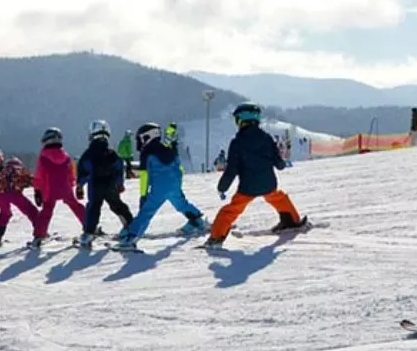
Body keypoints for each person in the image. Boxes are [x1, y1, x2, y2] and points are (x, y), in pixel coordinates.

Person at [204, 102, 305, 249]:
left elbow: (231, 169)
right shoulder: (267, 138)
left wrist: (222, 187)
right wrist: (282, 164)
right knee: (279, 198)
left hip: (247, 188)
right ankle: (292, 220)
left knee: (231, 210)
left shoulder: (237, 143)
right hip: (268, 183)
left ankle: (216, 237)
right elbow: (278, 162)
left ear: (241, 120)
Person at [116, 122, 206, 249]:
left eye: (141, 138)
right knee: (181, 203)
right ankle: (197, 220)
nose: (140, 142)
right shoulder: (169, 149)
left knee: (146, 212)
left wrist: (143, 195)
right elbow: (179, 169)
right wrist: (177, 186)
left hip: (159, 189)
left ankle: (131, 238)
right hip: (174, 185)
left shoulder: (147, 153)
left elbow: (144, 176)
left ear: (148, 136)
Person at [76, 120, 134, 247]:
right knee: (117, 205)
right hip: (111, 185)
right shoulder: (112, 152)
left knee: (93, 208)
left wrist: (80, 185)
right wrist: (119, 183)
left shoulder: (88, 153)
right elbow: (119, 168)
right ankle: (130, 225)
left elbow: (84, 170)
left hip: (95, 185)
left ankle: (88, 234)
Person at [31, 127, 85, 248]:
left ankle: (39, 236)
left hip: (49, 190)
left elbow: (39, 175)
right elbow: (71, 173)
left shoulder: (43, 156)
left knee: (46, 211)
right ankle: (90, 226)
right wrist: (71, 185)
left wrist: (37, 190)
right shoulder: (65, 156)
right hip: (65, 188)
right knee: (76, 206)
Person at [0, 155, 37, 248]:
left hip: (1, 195)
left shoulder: (2, 174)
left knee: (4, 214)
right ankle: (40, 233)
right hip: (14, 193)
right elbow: (32, 180)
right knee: (31, 211)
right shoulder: (19, 170)